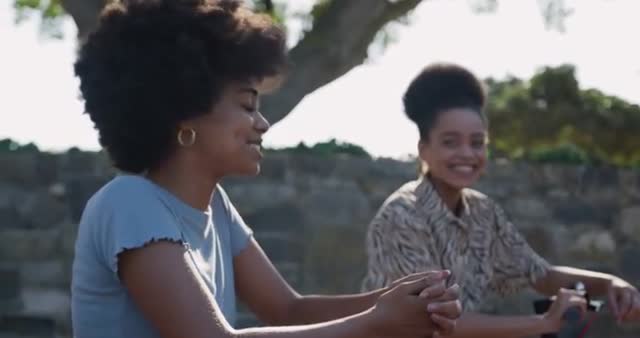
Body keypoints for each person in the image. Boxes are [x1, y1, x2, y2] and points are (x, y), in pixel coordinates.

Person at [69, 1, 462, 338]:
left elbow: (289, 311)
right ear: (183, 115)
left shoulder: (215, 208)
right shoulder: (129, 202)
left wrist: (403, 298)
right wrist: (378, 323)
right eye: (246, 105)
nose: (262, 124)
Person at [361, 62, 640, 338]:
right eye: (450, 142)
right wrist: (544, 322)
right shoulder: (401, 216)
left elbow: (540, 275)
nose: (467, 154)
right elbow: (432, 322)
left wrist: (610, 284)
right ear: (423, 149)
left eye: (477, 142)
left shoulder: (482, 212)